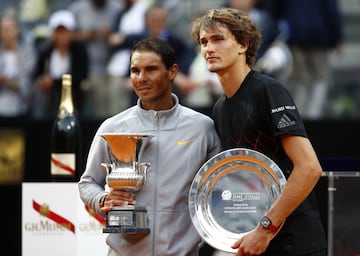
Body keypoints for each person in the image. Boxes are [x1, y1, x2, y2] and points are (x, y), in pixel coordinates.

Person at [192, 8, 327, 256]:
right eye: (204, 41)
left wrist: (266, 228)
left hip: (294, 243)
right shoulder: (220, 107)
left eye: (218, 39)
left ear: (243, 45)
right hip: (253, 243)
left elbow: (309, 168)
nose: (208, 48)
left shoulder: (268, 90)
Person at [78, 37, 221, 255]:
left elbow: (217, 192)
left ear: (172, 71)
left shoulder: (202, 128)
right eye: (135, 71)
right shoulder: (112, 127)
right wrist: (103, 199)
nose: (141, 78)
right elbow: (87, 183)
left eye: (151, 69)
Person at [274, 0, 343, 119]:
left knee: (301, 77)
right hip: (318, 33)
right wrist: (337, 38)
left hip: (295, 32)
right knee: (320, 76)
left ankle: (299, 116)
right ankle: (312, 114)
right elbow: (332, 11)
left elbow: (278, 9)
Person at [32, 9, 89, 120]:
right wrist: (42, 81)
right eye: (58, 31)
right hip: (48, 100)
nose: (62, 35)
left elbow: (81, 75)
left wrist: (55, 82)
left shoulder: (79, 51)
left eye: (65, 31)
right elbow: (37, 74)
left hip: (73, 99)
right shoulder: (46, 52)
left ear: (71, 33)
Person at [0, 9, 35, 119]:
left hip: (22, 107)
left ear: (17, 30)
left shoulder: (27, 53)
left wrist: (6, 82)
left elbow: (27, 86)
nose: (5, 34)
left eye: (8, 29)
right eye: (2, 30)